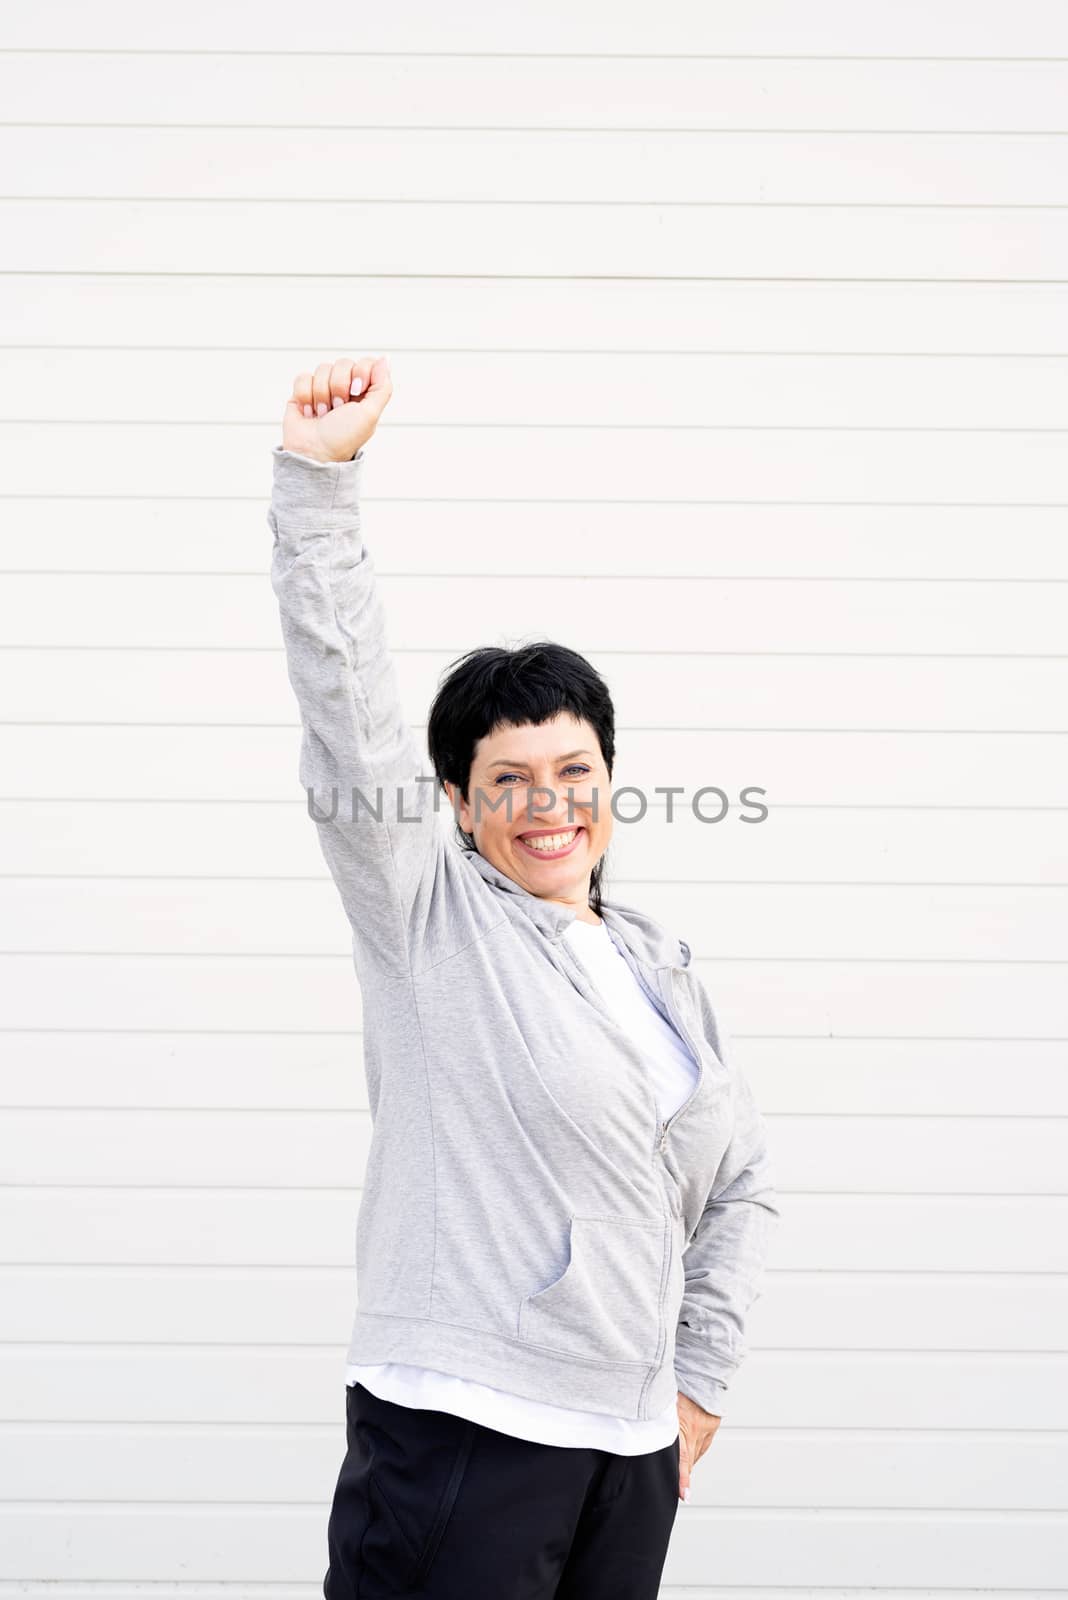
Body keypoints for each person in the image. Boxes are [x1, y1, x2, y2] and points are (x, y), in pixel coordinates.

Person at [269, 353, 781, 1599]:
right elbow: (349, 705)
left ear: (610, 775)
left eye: (574, 768)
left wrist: (697, 1385)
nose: (547, 803)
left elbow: (741, 1182)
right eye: (507, 777)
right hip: (464, 1426)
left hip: (626, 1447)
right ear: (453, 799)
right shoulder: (428, 914)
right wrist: (316, 485)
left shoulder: (655, 962)